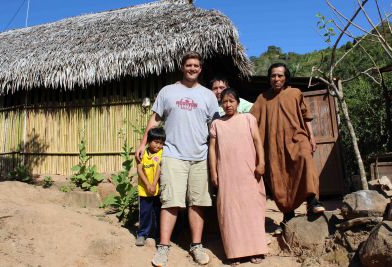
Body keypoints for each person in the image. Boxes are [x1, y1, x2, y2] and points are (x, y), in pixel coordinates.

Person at [135, 51, 219, 266]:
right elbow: (155, 119)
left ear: (201, 69)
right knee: (170, 202)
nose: (192, 68)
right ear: (182, 67)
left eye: (196, 65)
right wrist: (143, 143)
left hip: (200, 156)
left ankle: (196, 246)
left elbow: (215, 126)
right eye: (189, 65)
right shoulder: (168, 91)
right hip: (173, 155)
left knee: (198, 203)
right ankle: (163, 247)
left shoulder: (208, 95)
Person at [250, 63, 325, 232]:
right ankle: (288, 214)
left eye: (280, 76)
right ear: (269, 78)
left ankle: (312, 200)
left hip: (296, 138)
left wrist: (312, 137)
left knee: (305, 159)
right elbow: (251, 120)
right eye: (273, 76)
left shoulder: (295, 93)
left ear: (286, 78)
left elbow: (306, 117)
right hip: (274, 146)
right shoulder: (262, 98)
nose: (276, 79)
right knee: (280, 177)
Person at [209, 88, 267, 265]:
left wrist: (261, 163)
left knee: (252, 209)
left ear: (238, 103)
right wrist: (213, 172)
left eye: (231, 101)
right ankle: (235, 252)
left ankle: (255, 249)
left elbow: (258, 141)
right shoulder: (216, 124)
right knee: (230, 211)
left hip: (249, 172)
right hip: (227, 174)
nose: (228, 105)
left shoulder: (248, 119)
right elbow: (212, 149)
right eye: (224, 102)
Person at [135, 127, 165, 246]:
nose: (158, 146)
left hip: (157, 190)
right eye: (156, 142)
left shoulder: (162, 153)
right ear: (149, 141)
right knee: (145, 213)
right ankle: (142, 234)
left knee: (158, 213)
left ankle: (157, 235)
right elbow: (139, 169)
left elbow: (159, 168)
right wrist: (148, 185)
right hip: (144, 190)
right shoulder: (142, 154)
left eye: (161, 143)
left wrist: (153, 185)